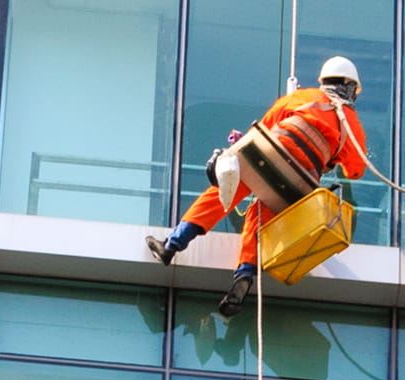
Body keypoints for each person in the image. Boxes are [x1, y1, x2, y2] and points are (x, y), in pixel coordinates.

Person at [146, 56, 371, 317]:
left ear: (325, 81)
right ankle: (244, 275)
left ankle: (173, 244)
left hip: (273, 153)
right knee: (260, 214)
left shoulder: (303, 97)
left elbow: (269, 123)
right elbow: (355, 171)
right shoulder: (352, 124)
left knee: (225, 191)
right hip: (302, 182)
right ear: (351, 87)